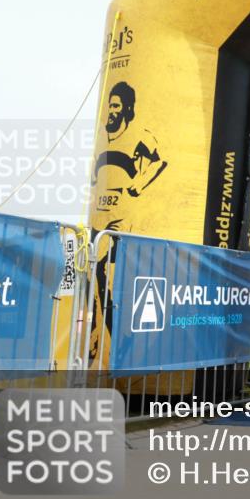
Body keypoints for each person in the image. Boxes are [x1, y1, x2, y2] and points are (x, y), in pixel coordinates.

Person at [89, 81, 168, 361]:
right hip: (99, 217)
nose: (111, 111)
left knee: (105, 276)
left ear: (127, 110)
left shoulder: (138, 136)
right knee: (93, 279)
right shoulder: (102, 137)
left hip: (122, 221)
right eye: (109, 105)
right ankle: (100, 339)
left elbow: (158, 161)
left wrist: (138, 184)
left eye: (116, 106)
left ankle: (118, 340)